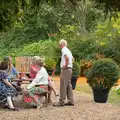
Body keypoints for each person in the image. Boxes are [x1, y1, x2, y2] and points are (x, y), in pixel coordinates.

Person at [53, 39, 74, 107]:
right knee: (69, 85)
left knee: (63, 85)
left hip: (66, 69)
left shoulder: (64, 49)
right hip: (70, 69)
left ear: (62, 44)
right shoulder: (69, 50)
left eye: (60, 45)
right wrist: (70, 65)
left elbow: (67, 58)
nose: (59, 46)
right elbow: (73, 59)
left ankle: (61, 102)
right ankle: (71, 101)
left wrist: (66, 65)